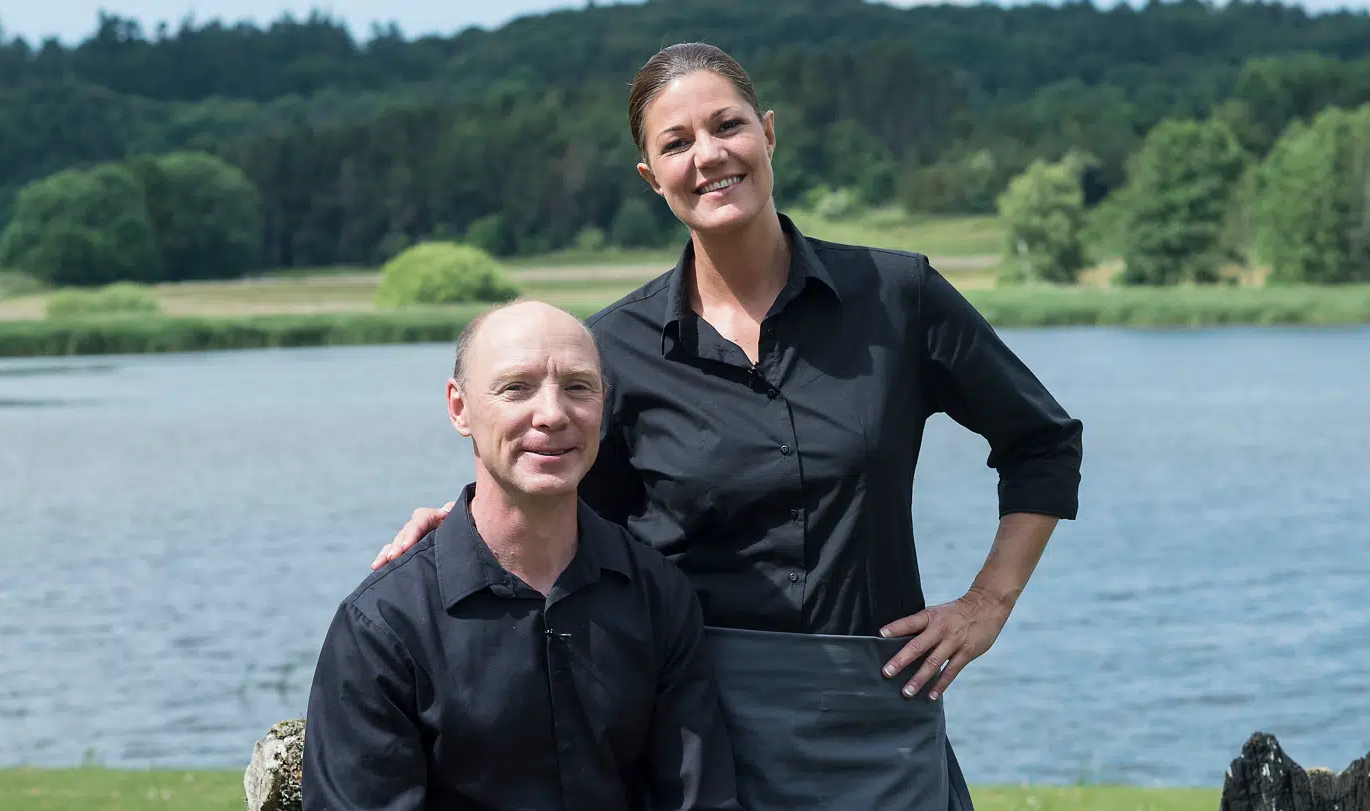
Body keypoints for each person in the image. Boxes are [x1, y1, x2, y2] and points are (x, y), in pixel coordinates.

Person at [373, 43, 1084, 810]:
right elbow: (567, 507)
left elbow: (1040, 441)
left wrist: (987, 604)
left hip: (878, 717)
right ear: (651, 176)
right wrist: (470, 525)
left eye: (727, 126)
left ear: (767, 133)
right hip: (691, 725)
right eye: (676, 143)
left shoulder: (898, 295)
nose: (709, 155)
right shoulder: (613, 349)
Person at [303, 300, 742, 811]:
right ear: (459, 408)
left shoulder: (658, 596)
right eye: (517, 388)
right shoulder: (383, 627)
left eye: (578, 387)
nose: (553, 414)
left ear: (604, 405)